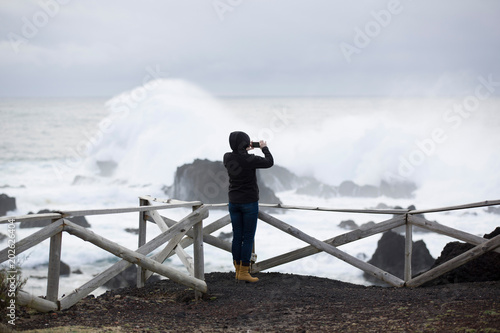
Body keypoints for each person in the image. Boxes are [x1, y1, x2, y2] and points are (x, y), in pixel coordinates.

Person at [223, 131, 274, 282]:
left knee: (237, 236)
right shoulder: (250, 159)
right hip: (249, 203)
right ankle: (244, 272)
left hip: (233, 202)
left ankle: (238, 270)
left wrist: (243, 149)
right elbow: (269, 162)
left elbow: (238, 157)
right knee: (248, 237)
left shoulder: (227, 157)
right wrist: (263, 148)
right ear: (245, 144)